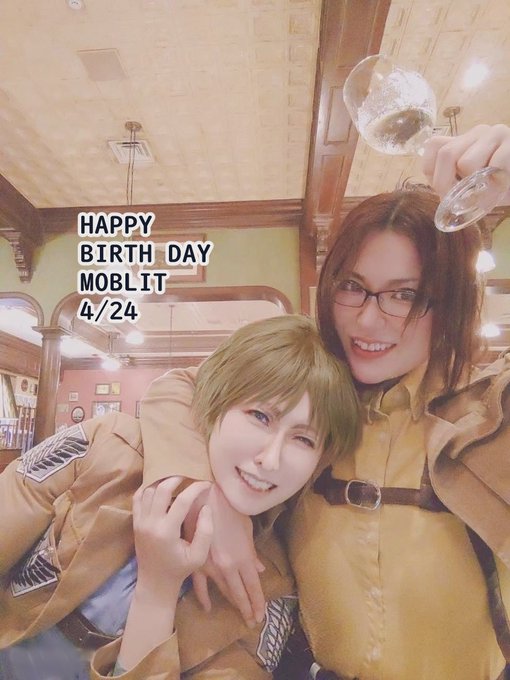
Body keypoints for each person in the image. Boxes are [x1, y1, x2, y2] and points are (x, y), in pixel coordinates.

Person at [137, 123, 510, 680]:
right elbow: (178, 388)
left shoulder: (489, 412)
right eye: (352, 286)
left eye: (405, 294)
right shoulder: (313, 399)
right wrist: (204, 499)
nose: (367, 320)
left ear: (449, 302)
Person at [0, 314, 359, 680]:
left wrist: (158, 589)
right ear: (216, 403)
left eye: (303, 439)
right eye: (260, 416)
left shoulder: (268, 586)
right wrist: (204, 500)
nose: (270, 459)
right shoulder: (103, 447)